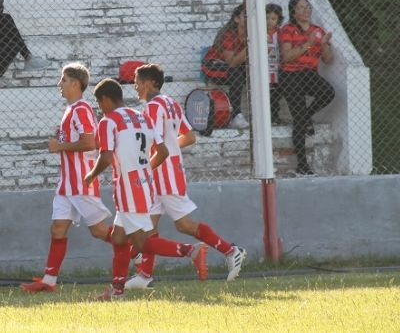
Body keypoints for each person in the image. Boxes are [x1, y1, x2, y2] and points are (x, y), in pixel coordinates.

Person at [124, 63, 246, 290]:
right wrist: (169, 150)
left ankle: (231, 250)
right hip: (168, 171)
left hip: (163, 174)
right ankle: (144, 276)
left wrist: (145, 168)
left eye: (137, 82)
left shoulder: (152, 107)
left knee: (184, 225)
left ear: (150, 83)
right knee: (148, 227)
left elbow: (156, 144)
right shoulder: (171, 103)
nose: (135, 87)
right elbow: (189, 137)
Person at [85, 78, 207, 300]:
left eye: (99, 103)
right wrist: (145, 170)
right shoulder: (142, 117)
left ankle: (191, 251)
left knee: (141, 242)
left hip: (128, 187)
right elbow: (163, 151)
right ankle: (117, 291)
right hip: (144, 184)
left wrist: (91, 175)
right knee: (118, 238)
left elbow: (106, 157)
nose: (99, 108)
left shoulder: (108, 121)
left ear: (105, 99)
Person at [19, 63, 116, 293]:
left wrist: (59, 146)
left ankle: (139, 252)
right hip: (67, 184)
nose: (59, 84)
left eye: (63, 80)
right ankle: (49, 281)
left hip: (81, 181)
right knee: (58, 228)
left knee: (99, 231)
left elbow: (89, 143)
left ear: (75, 83)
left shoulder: (81, 109)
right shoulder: (71, 110)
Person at [278, 0, 335, 175]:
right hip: (290, 75)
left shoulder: (318, 30)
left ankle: (306, 116)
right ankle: (302, 165)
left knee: (328, 93)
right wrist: (308, 44)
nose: (306, 10)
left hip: (309, 74)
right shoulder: (287, 29)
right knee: (299, 119)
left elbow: (328, 59)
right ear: (293, 12)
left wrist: (324, 44)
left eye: (308, 7)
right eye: (301, 8)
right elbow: (286, 57)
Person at [201, 4, 249, 129]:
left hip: (236, 67)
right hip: (214, 65)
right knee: (236, 73)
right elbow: (231, 62)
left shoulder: (253, 34)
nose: (249, 18)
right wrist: (249, 45)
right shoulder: (228, 35)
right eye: (245, 15)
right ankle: (235, 115)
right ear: (237, 19)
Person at [266, 3, 285, 123]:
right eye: (267, 18)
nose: (269, 21)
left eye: (273, 19)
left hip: (278, 67)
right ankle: (268, 116)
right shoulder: (258, 31)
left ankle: (274, 115)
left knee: (276, 92)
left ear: (278, 20)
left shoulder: (281, 32)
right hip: (264, 67)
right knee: (267, 92)